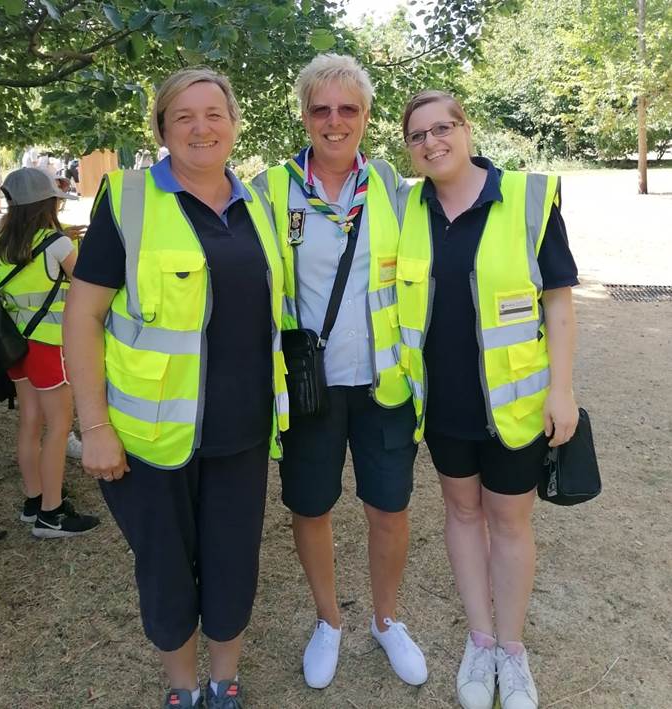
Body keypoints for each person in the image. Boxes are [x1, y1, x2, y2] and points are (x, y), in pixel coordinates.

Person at [63, 67, 289, 709]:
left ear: (234, 124)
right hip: (149, 439)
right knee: (165, 572)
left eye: (214, 114)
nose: (200, 127)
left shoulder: (259, 205)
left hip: (242, 432)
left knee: (233, 565)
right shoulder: (127, 199)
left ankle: (225, 681)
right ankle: (183, 689)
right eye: (183, 116)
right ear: (161, 128)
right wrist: (96, 426)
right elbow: (83, 316)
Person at [397, 90, 580, 709]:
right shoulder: (404, 206)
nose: (432, 143)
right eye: (417, 135)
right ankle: (480, 641)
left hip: (516, 404)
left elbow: (557, 300)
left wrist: (562, 390)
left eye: (442, 128)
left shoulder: (528, 198)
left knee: (509, 522)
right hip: (444, 404)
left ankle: (511, 648)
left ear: (466, 129)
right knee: (462, 514)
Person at [252, 54, 427, 690]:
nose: (334, 121)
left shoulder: (391, 186)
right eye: (321, 109)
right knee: (312, 506)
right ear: (303, 114)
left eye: (347, 109)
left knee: (389, 508)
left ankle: (386, 620)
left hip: (383, 381)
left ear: (366, 116)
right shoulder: (270, 189)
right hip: (308, 387)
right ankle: (329, 622)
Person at [0, 168, 100, 538]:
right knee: (59, 429)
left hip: (15, 349)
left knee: (30, 424)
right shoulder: (56, 243)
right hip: (49, 348)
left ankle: (34, 500)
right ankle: (52, 515)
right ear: (47, 203)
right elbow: (87, 283)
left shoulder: (4, 245)